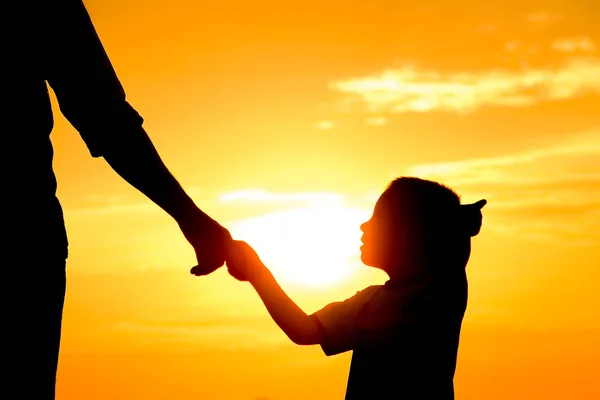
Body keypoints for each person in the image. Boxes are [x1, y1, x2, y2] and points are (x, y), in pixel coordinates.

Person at [5, 1, 231, 398]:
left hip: (25, 243)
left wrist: (190, 217)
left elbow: (106, 118)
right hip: (21, 244)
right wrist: (189, 217)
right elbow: (106, 118)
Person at [225, 177, 487, 399]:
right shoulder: (369, 302)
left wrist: (257, 273)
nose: (364, 225)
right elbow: (303, 330)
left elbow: (449, 241)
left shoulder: (440, 291)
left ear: (408, 233)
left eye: (378, 218)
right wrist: (257, 273)